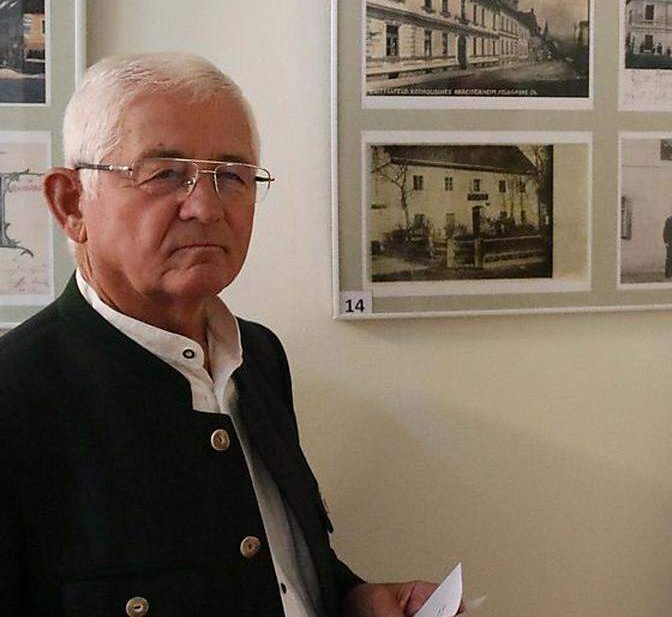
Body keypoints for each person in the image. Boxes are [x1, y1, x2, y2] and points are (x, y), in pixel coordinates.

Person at [0, 53, 456, 616]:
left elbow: (276, 568)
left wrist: (354, 599)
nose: (206, 206)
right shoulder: (17, 397)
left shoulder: (257, 356)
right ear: (71, 203)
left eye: (232, 176)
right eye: (165, 172)